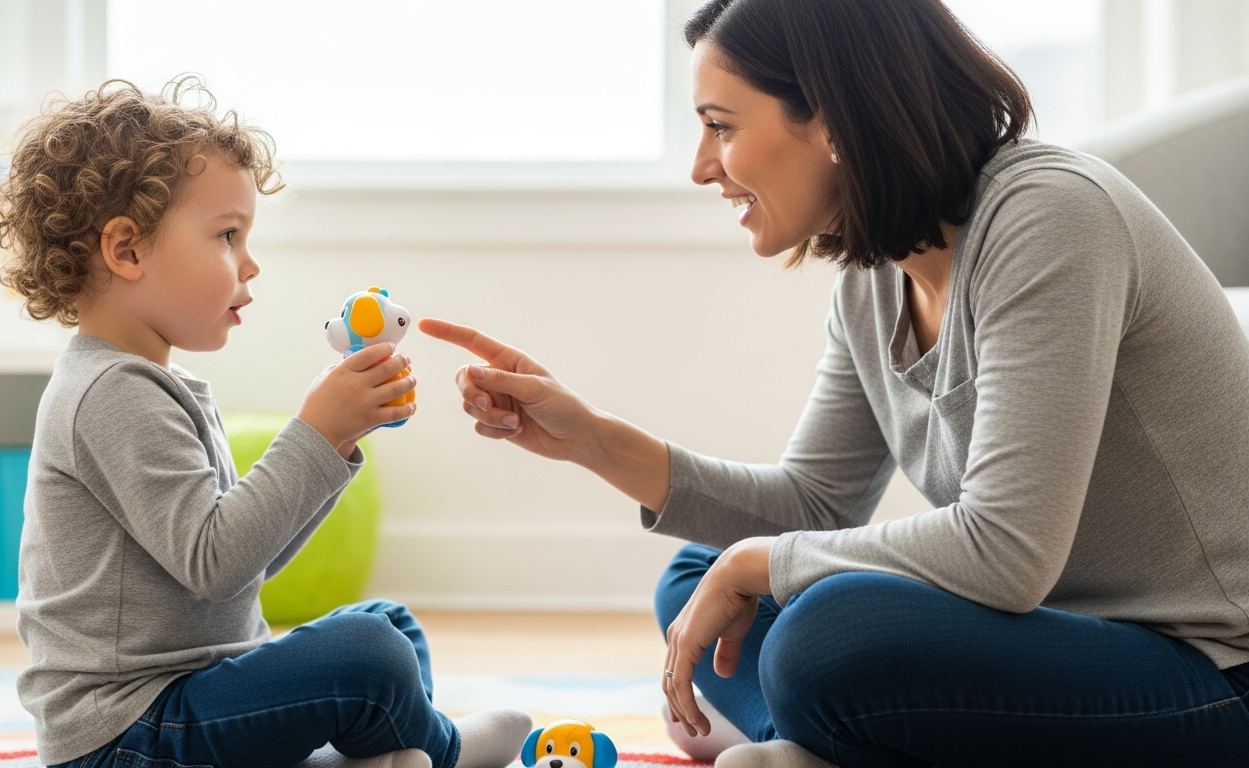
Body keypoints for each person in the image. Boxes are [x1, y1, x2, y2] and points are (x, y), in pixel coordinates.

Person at [419, 0, 1249, 765]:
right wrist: (594, 440)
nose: (703, 167)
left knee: (826, 631)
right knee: (698, 574)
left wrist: (762, 564)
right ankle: (812, 745)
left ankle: (812, 734)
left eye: (720, 126)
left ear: (835, 120)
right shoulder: (872, 273)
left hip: (1208, 670)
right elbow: (814, 506)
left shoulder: (1049, 219)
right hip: (1050, 637)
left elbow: (1007, 552)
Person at [0, 79, 531, 768]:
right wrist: (313, 432)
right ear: (127, 250)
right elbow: (215, 564)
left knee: (383, 625)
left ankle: (391, 752)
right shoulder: (110, 393)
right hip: (127, 735)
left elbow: (250, 564)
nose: (250, 263)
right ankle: (443, 751)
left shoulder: (154, 384)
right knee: (368, 656)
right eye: (227, 235)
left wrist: (335, 438)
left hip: (186, 700)